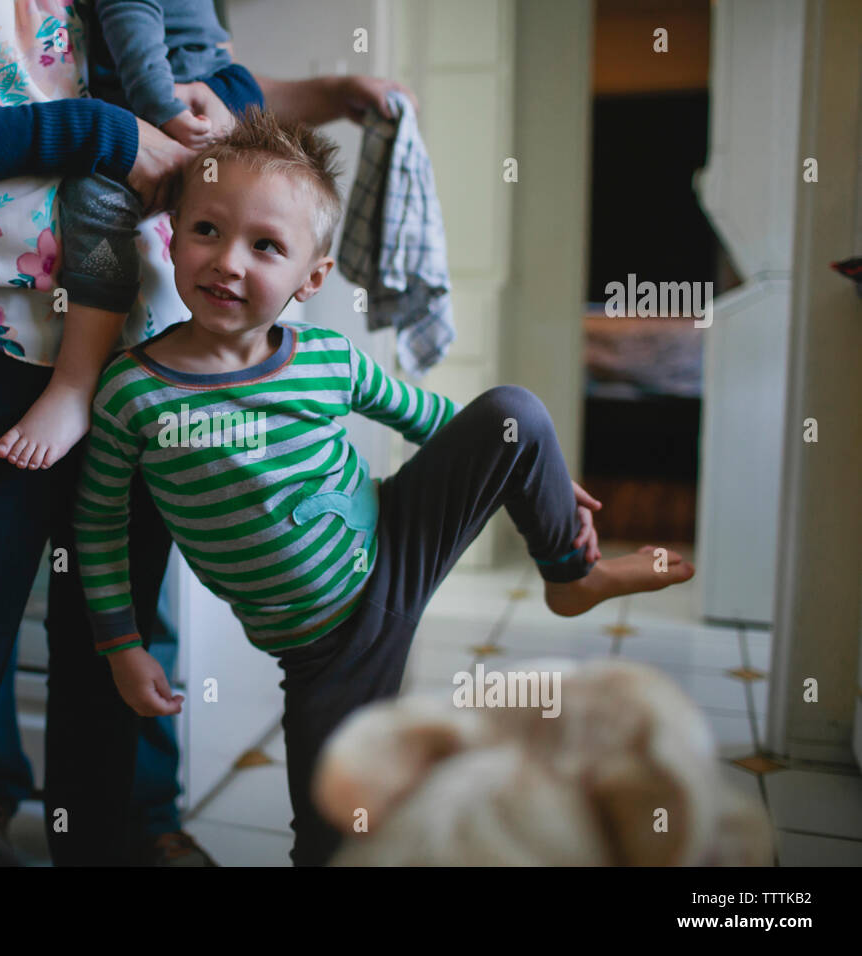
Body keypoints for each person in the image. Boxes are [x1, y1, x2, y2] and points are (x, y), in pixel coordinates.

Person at [0, 0, 417, 866]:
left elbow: (200, 71)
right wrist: (99, 131)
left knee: (119, 627)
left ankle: (117, 840)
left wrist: (241, 98)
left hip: (136, 341)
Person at [75, 106, 697, 866]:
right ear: (172, 234)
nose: (228, 261)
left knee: (513, 413)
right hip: (326, 649)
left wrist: (540, 473)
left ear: (312, 278)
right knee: (332, 831)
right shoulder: (132, 394)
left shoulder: (327, 360)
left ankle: (574, 577)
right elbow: (100, 525)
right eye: (208, 230)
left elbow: (431, 416)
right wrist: (121, 645)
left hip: (395, 538)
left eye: (265, 246)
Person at [0, 0, 257, 471]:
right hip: (186, 113)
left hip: (192, 119)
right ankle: (82, 385)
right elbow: (145, 28)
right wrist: (179, 112)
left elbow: (178, 38)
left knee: (101, 201)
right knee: (106, 205)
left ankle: (86, 382)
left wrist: (190, 108)